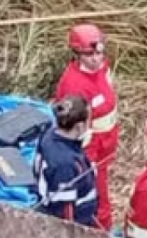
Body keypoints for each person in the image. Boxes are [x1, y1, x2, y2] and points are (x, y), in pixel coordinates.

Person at [55, 23, 119, 230]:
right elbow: (73, 130)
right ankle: (101, 232)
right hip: (91, 149)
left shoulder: (102, 68)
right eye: (90, 55)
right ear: (77, 54)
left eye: (99, 53)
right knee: (98, 197)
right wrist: (87, 161)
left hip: (105, 143)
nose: (96, 59)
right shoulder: (74, 86)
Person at [33, 96, 99, 227]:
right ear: (80, 126)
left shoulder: (50, 134)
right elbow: (65, 214)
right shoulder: (65, 166)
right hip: (78, 223)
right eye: (89, 121)